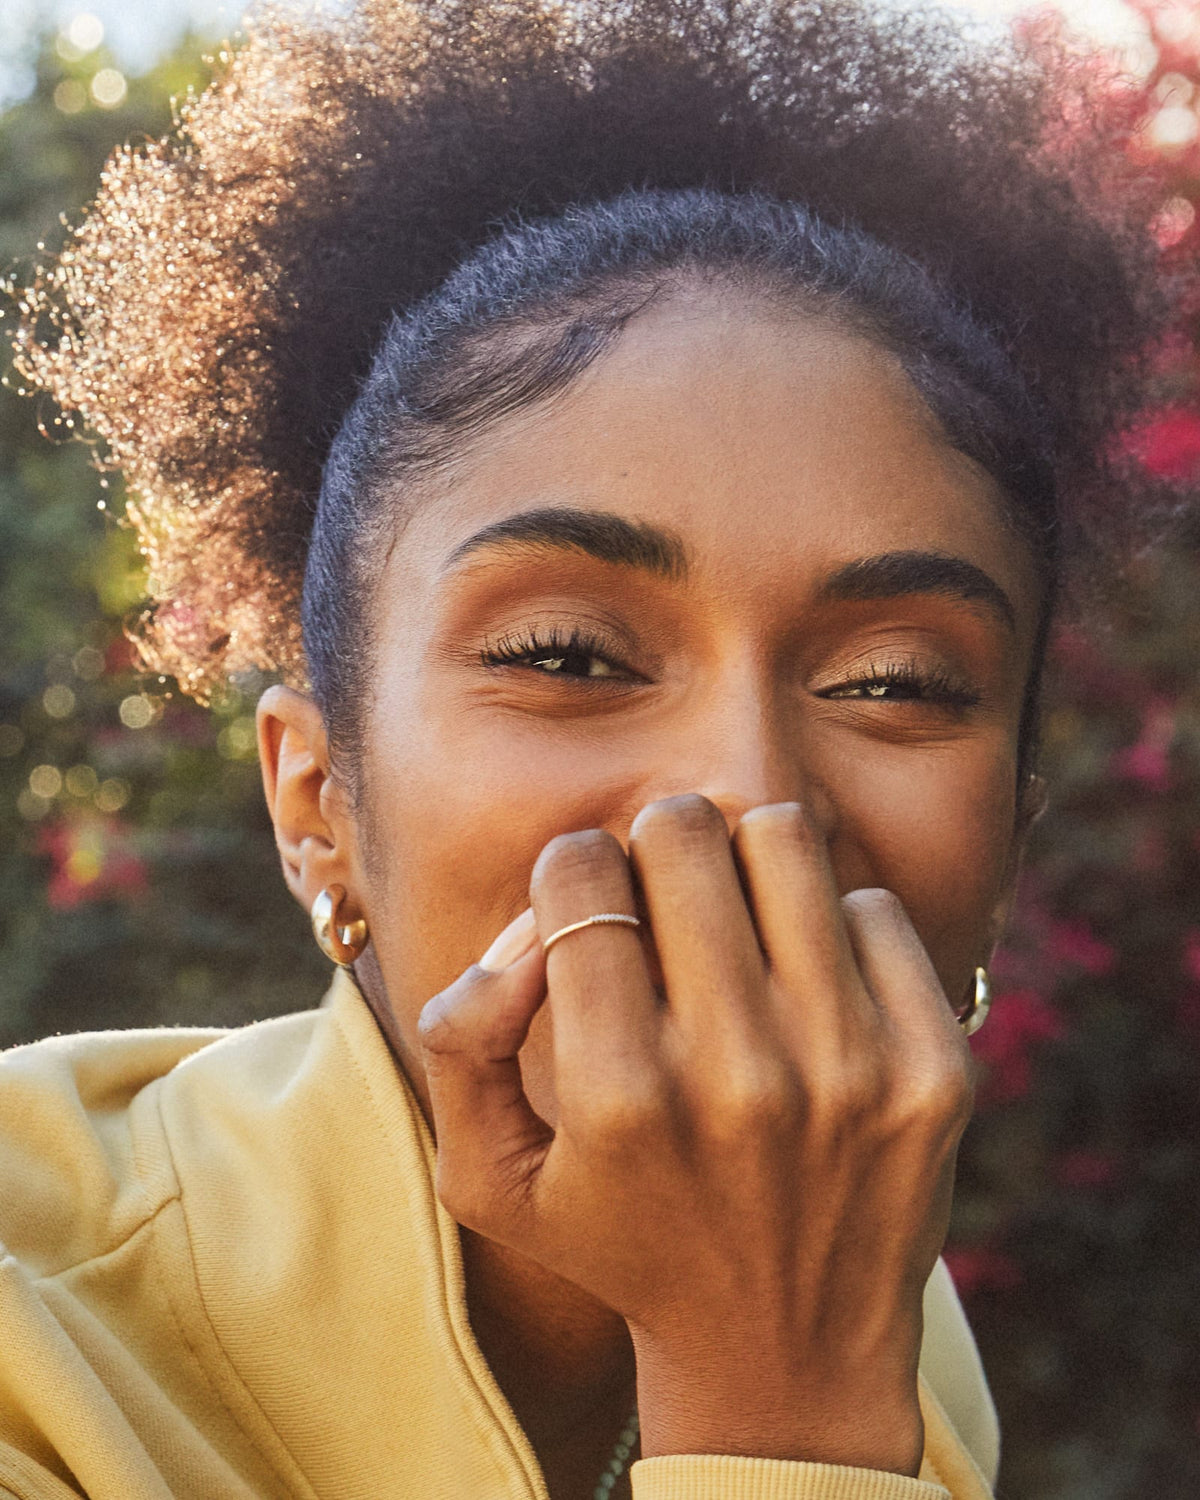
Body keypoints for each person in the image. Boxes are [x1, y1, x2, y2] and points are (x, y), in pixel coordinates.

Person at [1, 1, 1179, 1497]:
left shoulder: (883, 1302)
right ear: (318, 800)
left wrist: (785, 1369)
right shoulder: (33, 1338)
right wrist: (786, 1416)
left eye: (892, 682)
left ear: (1009, 839)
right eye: (564, 656)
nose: (748, 796)